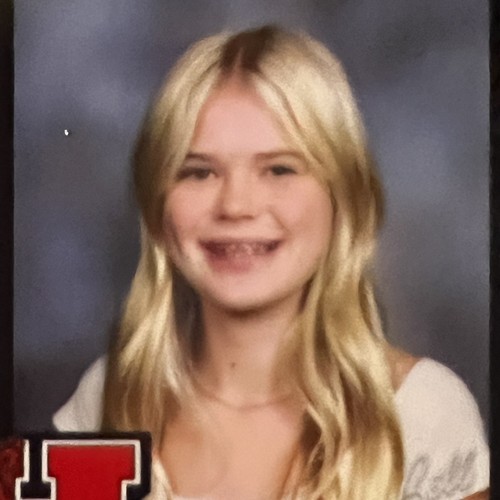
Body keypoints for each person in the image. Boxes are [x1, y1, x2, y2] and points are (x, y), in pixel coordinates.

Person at [53, 25, 489, 499]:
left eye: (280, 169)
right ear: (158, 206)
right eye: (199, 172)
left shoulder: (420, 412)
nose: (236, 205)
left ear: (343, 198)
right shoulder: (106, 399)